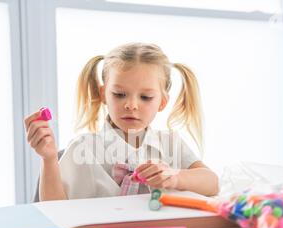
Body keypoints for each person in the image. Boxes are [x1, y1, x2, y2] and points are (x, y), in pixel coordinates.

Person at [24, 43, 219, 200]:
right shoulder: (83, 148)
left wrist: (175, 177)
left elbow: (212, 183)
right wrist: (48, 159)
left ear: (162, 102)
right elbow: (54, 210)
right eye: (119, 94)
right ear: (104, 95)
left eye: (145, 97)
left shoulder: (170, 143)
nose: (131, 105)